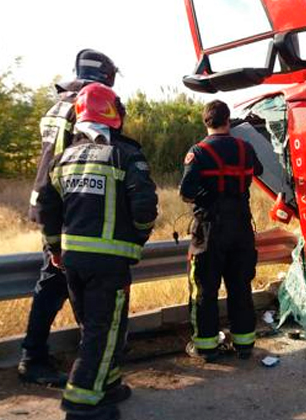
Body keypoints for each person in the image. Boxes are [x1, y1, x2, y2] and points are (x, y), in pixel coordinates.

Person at [35, 82, 158, 420]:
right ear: (113, 114)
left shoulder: (61, 160)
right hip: (109, 263)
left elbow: (47, 207)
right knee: (104, 331)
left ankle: (109, 384)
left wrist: (54, 248)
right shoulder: (125, 155)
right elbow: (145, 207)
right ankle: (81, 402)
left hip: (72, 261)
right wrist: (137, 242)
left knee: (93, 327)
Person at [21, 49, 120, 386]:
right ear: (106, 77)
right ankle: (39, 358)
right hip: (68, 206)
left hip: (49, 201)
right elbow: (86, 156)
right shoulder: (87, 106)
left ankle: (74, 356)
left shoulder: (55, 107)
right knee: (57, 282)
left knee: (58, 281)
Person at [179, 100, 263, 362]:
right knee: (240, 285)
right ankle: (244, 344)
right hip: (241, 226)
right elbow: (257, 171)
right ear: (228, 120)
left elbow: (186, 193)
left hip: (209, 229)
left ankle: (206, 347)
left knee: (205, 288)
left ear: (206, 122)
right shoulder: (245, 148)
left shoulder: (199, 152)